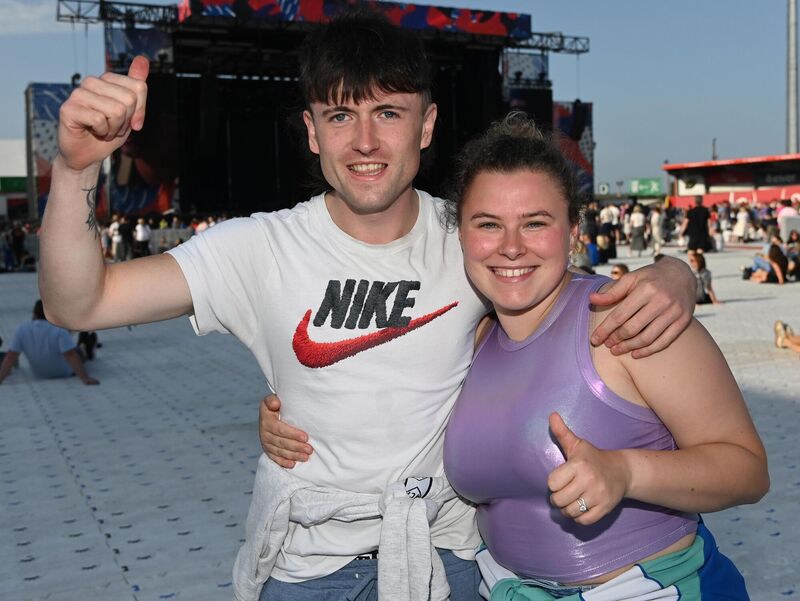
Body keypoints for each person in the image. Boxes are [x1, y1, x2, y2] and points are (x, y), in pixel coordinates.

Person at [41, 10, 697, 601]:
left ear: (426, 125)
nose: (363, 141)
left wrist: (676, 272)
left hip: (446, 561)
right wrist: (74, 170)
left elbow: (578, 296)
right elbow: (81, 302)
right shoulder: (258, 248)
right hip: (306, 566)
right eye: (339, 115)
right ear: (312, 132)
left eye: (387, 112)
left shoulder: (472, 241)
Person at [438, 115, 767, 599]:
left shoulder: (629, 319)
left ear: (574, 232)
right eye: (488, 224)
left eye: (535, 223)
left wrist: (627, 472)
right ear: (461, 235)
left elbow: (747, 470)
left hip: (653, 591)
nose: (510, 247)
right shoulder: (475, 336)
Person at [0, 300, 99, 385]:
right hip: (64, 372)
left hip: (38, 373)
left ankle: (83, 343)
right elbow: (71, 355)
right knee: (78, 352)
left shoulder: (22, 329)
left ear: (34, 314)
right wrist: (84, 378)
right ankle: (85, 347)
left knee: (69, 346)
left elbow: (10, 357)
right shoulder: (59, 329)